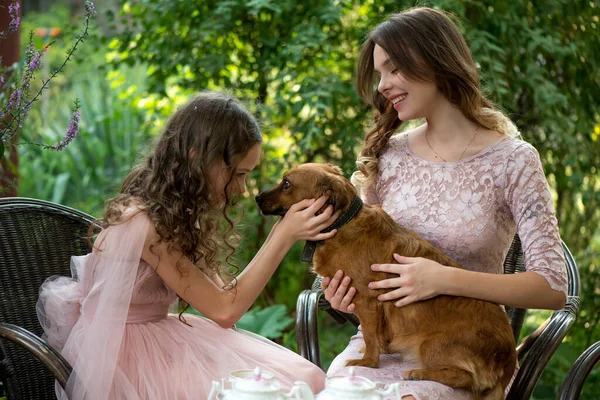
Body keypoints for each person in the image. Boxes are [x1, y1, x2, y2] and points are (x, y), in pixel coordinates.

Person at [321, 7, 568, 400]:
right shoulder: (387, 156)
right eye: (379, 74)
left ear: (434, 60)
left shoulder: (514, 161)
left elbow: (553, 287)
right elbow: (365, 281)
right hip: (381, 352)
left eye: (393, 69)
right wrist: (342, 296)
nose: (382, 85)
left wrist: (442, 278)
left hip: (461, 356)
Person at [36, 91, 336, 400]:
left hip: (158, 335)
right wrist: (283, 235)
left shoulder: (173, 211)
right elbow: (224, 311)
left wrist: (281, 230)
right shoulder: (141, 224)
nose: (243, 189)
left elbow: (224, 296)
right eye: (239, 174)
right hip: (124, 359)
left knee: (304, 376)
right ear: (196, 157)